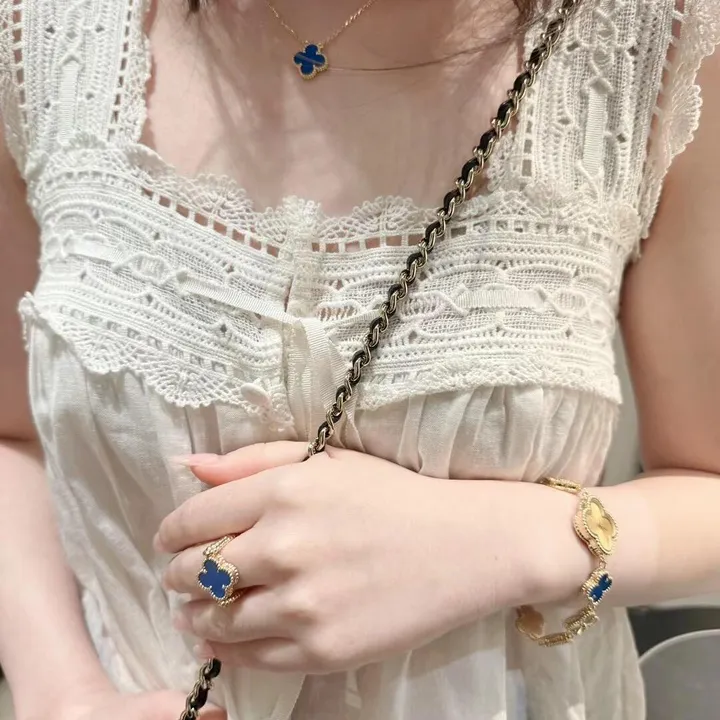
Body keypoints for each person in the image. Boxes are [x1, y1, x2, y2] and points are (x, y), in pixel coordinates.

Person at [1, 0, 720, 718]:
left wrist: (500, 544)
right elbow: (10, 434)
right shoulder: (42, 27)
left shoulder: (658, 36)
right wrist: (61, 690)